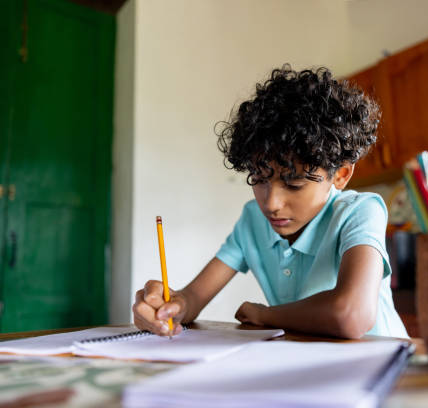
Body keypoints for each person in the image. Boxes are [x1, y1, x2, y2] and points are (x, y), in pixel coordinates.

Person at [132, 65, 408, 339]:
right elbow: (193, 297)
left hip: (385, 369)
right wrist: (170, 307)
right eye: (259, 179)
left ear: (341, 175)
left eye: (294, 184)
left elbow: (351, 314)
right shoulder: (253, 219)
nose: (272, 203)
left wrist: (266, 315)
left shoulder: (360, 212)